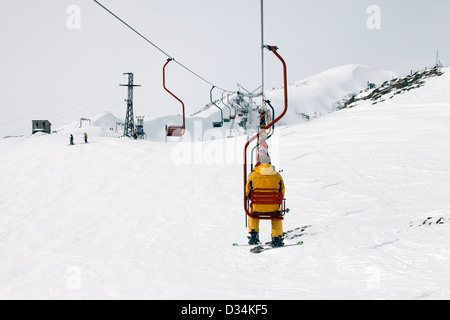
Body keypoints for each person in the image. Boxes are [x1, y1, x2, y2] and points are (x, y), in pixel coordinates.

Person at [246, 153, 285, 247]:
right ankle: (277, 238)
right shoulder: (277, 175)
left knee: (252, 212)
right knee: (276, 215)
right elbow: (282, 191)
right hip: (273, 207)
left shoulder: (253, 175)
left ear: (259, 162)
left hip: (258, 206)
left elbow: (247, 192)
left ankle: (254, 236)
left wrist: (252, 198)